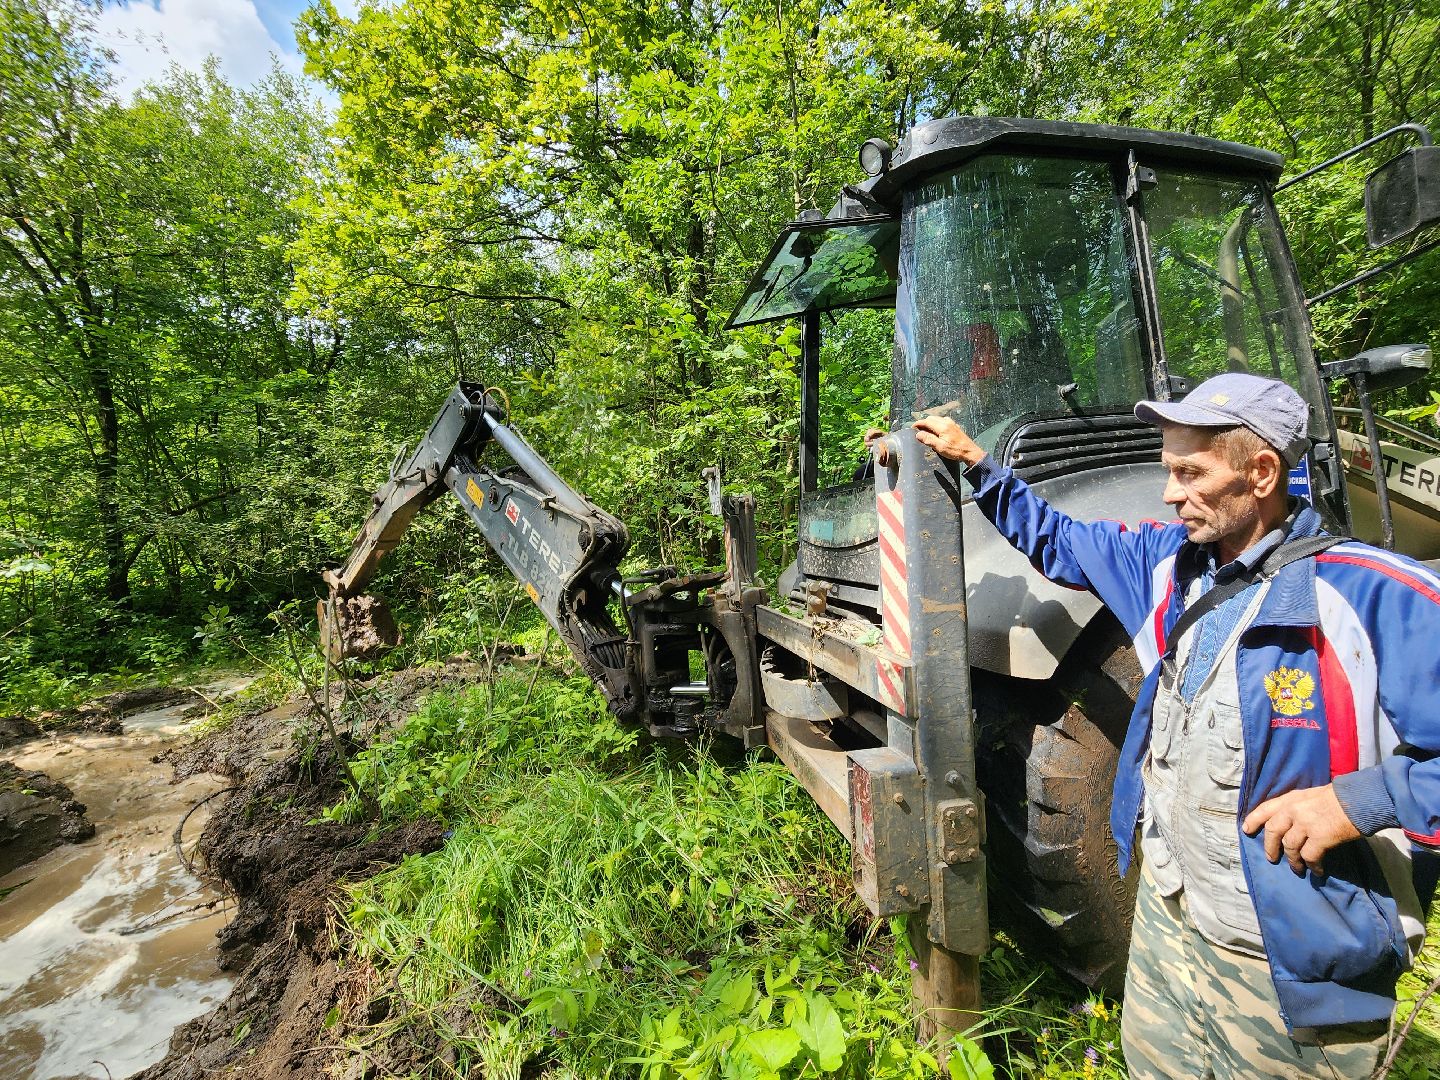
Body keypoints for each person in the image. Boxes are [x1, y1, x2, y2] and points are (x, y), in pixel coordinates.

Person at [888, 372, 1440, 1078]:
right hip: (1165, 928)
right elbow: (1057, 539)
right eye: (1167, 470)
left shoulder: (1374, 594)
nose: (1170, 492)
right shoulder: (1166, 569)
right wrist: (978, 465)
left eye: (1189, 472)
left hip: (1287, 966)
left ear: (1262, 472)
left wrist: (1352, 803)